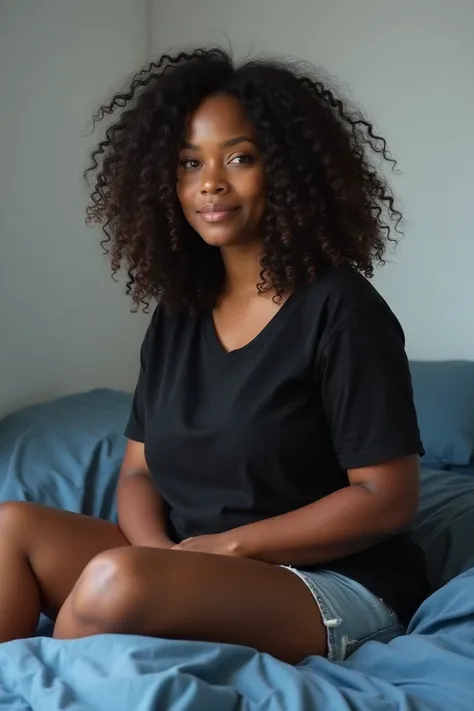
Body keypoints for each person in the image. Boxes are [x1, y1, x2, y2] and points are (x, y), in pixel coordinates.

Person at [0, 48, 431, 663]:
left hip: (329, 583)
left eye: (239, 157)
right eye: (189, 163)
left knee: (114, 582)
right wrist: (156, 553)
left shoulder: (343, 308)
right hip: (181, 565)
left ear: (286, 170)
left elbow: (387, 496)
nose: (210, 182)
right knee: (9, 528)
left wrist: (227, 549)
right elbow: (139, 472)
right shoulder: (178, 312)